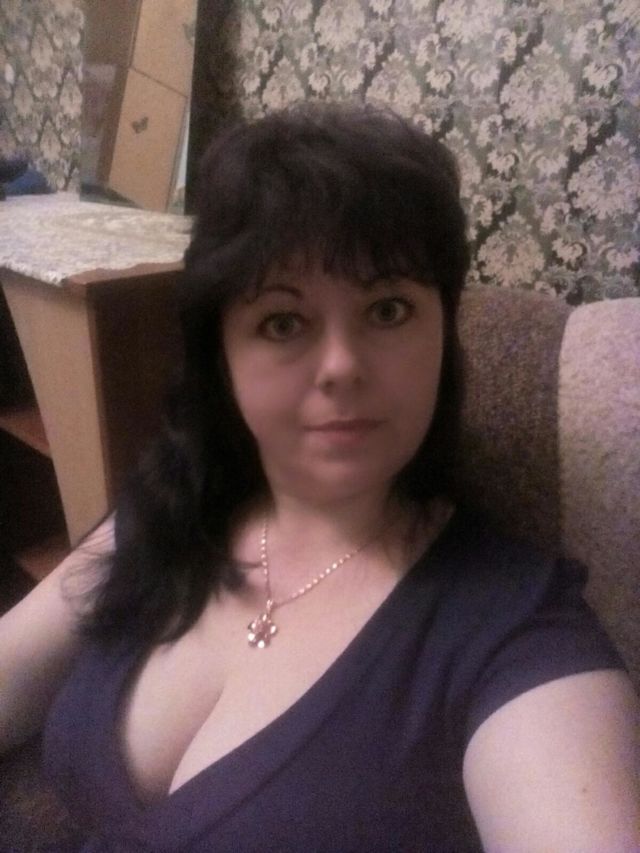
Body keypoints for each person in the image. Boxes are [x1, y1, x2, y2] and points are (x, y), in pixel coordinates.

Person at [1, 104, 638, 852]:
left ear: (444, 328)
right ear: (223, 354)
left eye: (388, 309)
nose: (341, 366)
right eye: (283, 322)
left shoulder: (513, 629)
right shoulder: (171, 509)